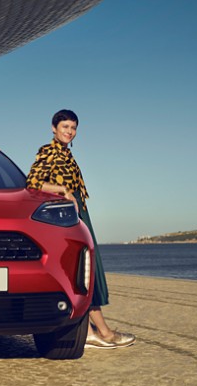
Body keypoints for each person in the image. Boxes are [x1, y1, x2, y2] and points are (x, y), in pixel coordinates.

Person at [26, 109, 136, 349]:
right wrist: (63, 191)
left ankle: (89, 332)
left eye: (73, 128)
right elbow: (32, 182)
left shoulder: (66, 154)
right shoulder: (48, 151)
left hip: (76, 211)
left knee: (84, 269)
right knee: (86, 269)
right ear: (54, 128)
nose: (70, 132)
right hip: (65, 212)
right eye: (65, 127)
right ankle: (104, 333)